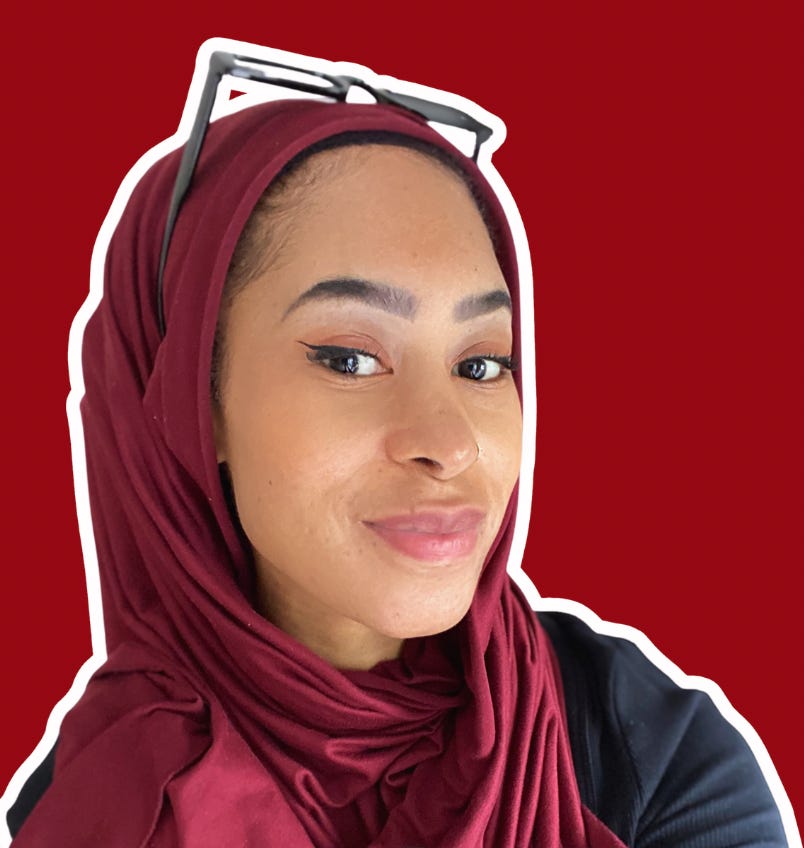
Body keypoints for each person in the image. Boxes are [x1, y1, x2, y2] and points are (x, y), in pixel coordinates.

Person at [3, 43, 791, 847]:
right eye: (350, 359)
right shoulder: (92, 799)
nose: (448, 444)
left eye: (481, 364)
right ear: (185, 406)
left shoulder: (651, 761)